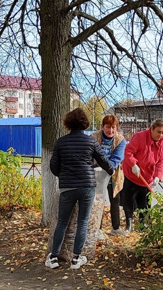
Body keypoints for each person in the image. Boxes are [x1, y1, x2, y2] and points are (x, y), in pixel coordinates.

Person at [45, 108, 113, 270]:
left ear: (68, 123)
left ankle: (53, 257)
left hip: (67, 187)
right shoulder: (91, 142)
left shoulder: (61, 142)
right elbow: (104, 162)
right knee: (83, 222)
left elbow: (53, 166)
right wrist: (111, 170)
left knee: (62, 222)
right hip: (87, 187)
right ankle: (76, 259)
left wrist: (64, 174)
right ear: (85, 123)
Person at [120, 119, 163, 232]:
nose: (160, 135)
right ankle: (129, 224)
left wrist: (157, 176)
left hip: (147, 177)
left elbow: (162, 160)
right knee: (129, 200)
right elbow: (128, 152)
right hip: (132, 174)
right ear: (151, 129)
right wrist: (133, 164)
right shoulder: (140, 137)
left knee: (145, 202)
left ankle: (143, 224)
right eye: (158, 132)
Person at [91, 115, 127, 237]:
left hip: (113, 174)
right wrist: (97, 168)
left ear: (117, 128)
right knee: (98, 200)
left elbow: (117, 158)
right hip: (96, 173)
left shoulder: (120, 140)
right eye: (107, 127)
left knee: (115, 200)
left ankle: (115, 228)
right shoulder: (93, 137)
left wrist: (107, 168)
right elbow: (90, 154)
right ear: (102, 127)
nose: (110, 130)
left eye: (113, 127)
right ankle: (98, 228)